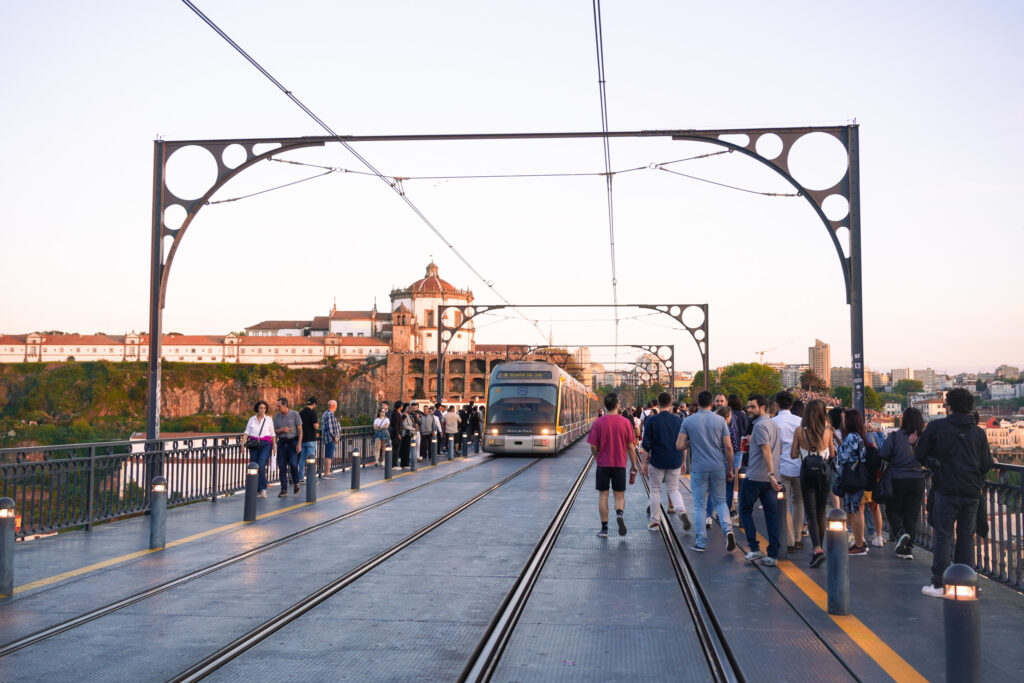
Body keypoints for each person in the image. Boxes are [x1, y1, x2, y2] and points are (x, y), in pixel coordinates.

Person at [917, 388, 993, 598]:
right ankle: (965, 584)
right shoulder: (978, 432)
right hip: (971, 493)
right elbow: (987, 463)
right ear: (970, 407)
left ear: (948, 406)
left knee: (943, 537)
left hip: (946, 489)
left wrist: (935, 463)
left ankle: (940, 584)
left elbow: (921, 454)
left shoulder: (937, 427)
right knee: (967, 538)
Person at [676, 390, 736, 553]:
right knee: (721, 501)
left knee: (700, 505)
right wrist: (730, 469)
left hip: (699, 468)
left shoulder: (689, 421)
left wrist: (691, 442)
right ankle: (728, 530)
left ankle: (701, 542)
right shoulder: (720, 420)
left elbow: (679, 445)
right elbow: (729, 447)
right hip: (718, 467)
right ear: (712, 403)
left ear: (697, 402)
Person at [587, 393, 639, 537]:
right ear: (617, 405)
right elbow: (630, 446)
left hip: (603, 464)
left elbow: (592, 446)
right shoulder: (625, 422)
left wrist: (597, 455)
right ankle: (620, 514)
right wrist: (634, 465)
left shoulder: (598, 422)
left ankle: (604, 529)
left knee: (603, 495)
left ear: (606, 405)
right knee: (619, 495)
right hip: (619, 464)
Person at [740, 394, 783, 566]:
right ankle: (773, 554)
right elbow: (774, 448)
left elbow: (766, 450)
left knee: (744, 510)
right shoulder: (773, 424)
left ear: (762, 407)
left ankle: (754, 547)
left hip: (758, 476)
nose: (749, 410)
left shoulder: (759, 426)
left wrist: (770, 474)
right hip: (770, 479)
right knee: (771, 516)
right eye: (748, 406)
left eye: (752, 407)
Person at [791, 399, 834, 568]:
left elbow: (792, 454)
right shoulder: (828, 431)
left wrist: (805, 452)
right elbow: (831, 454)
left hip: (806, 473)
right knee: (822, 512)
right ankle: (820, 547)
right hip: (823, 474)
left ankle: (816, 548)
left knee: (811, 512)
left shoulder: (799, 431)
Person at [879, 407, 926, 560]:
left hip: (897, 479)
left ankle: (900, 533)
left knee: (893, 510)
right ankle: (907, 549)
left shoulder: (895, 436)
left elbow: (884, 454)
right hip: (918, 480)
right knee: (911, 515)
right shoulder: (923, 438)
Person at [641, 392, 690, 531]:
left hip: (657, 460)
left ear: (658, 403)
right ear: (670, 403)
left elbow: (646, 445)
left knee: (655, 490)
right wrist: (683, 461)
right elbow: (684, 444)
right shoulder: (679, 420)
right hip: (675, 459)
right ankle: (681, 510)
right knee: (674, 489)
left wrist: (644, 463)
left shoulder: (652, 421)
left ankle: (655, 521)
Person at [773, 391, 805, 551]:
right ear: (792, 405)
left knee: (783, 503)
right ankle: (799, 536)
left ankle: (789, 539)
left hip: (781, 466)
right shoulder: (800, 421)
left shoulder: (773, 422)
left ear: (776, 404)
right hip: (799, 465)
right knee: (799, 501)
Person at [836, 409, 869, 555]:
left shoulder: (851, 438)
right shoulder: (858, 437)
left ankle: (860, 544)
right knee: (852, 509)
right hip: (855, 477)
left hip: (851, 478)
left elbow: (843, 457)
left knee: (853, 510)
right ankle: (859, 541)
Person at [243, 400, 274, 498]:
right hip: (254, 444)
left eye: (264, 408)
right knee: (253, 466)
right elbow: (246, 432)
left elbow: (273, 434)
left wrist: (274, 446)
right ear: (257, 408)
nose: (262, 410)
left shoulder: (268, 419)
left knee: (261, 465)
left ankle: (263, 489)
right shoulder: (252, 419)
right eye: (261, 408)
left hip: (265, 444)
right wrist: (242, 445)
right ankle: (255, 489)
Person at [273, 397, 302, 497]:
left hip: (293, 442)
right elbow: (274, 431)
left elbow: (300, 430)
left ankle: (296, 483)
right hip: (282, 442)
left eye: (279, 406)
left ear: (285, 405)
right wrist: (282, 429)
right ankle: (284, 489)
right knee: (281, 466)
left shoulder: (295, 414)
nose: (278, 408)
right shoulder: (277, 417)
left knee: (294, 464)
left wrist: (299, 444)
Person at [298, 397, 319, 483]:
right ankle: (312, 478)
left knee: (302, 459)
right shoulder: (312, 413)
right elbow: (316, 426)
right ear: (314, 404)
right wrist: (317, 422)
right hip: (311, 439)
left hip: (302, 439)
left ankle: (301, 478)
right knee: (311, 460)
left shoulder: (301, 413)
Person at [320, 399, 340, 479]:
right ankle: (327, 473)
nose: (336, 407)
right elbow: (331, 428)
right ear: (332, 406)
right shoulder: (330, 415)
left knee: (328, 455)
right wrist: (335, 436)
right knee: (329, 455)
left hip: (327, 437)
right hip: (330, 438)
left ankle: (326, 472)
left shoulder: (326, 414)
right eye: (336, 405)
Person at [400, 402, 416, 467]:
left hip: (408, 434)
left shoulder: (408, 415)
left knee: (407, 449)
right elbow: (404, 425)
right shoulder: (404, 415)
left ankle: (406, 462)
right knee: (405, 449)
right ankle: (404, 463)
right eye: (409, 408)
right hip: (405, 434)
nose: (410, 409)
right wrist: (413, 429)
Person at [388, 401, 404, 468]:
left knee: (396, 449)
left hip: (396, 433)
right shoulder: (396, 414)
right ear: (400, 406)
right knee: (396, 449)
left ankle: (394, 463)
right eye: (402, 406)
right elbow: (396, 425)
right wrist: (398, 434)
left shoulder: (397, 413)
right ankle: (394, 464)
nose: (402, 407)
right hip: (396, 434)